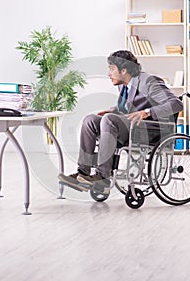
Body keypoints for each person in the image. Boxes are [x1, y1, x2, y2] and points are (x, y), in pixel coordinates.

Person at [58, 50, 183, 192]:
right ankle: (83, 174)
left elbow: (176, 104)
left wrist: (147, 112)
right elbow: (129, 106)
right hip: (131, 126)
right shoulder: (123, 84)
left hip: (150, 130)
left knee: (109, 120)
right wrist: (115, 110)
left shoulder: (148, 81)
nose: (108, 74)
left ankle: (102, 177)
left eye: (112, 69)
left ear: (124, 70)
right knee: (90, 120)